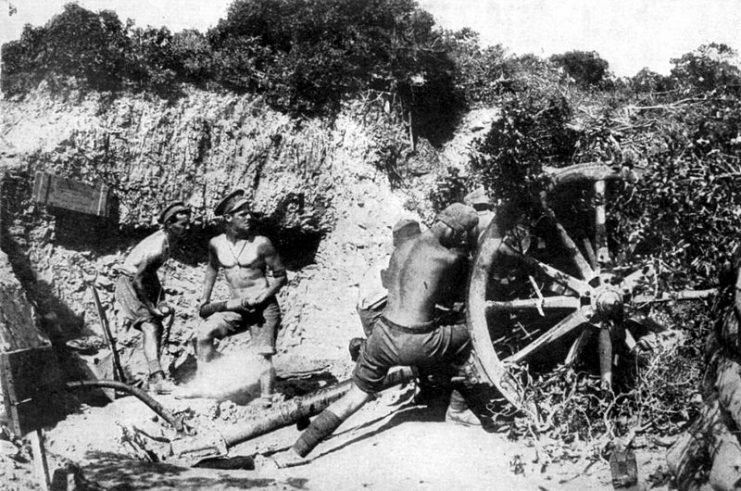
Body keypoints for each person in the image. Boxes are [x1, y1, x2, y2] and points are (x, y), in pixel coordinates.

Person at [265, 203, 481, 468]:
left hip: (381, 335)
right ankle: (458, 409)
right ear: (455, 231)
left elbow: (397, 284)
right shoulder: (451, 258)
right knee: (472, 333)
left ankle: (295, 452)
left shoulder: (402, 247)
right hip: (416, 341)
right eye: (461, 235)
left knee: (355, 396)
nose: (461, 240)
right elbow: (463, 297)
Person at [196, 190, 287, 407]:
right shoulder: (216, 244)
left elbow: (281, 277)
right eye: (242, 214)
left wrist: (262, 296)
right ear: (228, 218)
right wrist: (204, 299)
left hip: (263, 309)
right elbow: (211, 270)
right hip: (237, 307)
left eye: (249, 214)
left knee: (263, 354)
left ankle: (266, 399)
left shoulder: (261, 243)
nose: (249, 218)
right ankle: (204, 385)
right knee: (204, 334)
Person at [114, 201, 191, 394]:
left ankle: (154, 377)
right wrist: (152, 307)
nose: (186, 228)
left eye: (188, 224)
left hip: (140, 281)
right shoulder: (157, 246)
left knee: (156, 325)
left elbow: (151, 274)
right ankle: (157, 379)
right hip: (129, 283)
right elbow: (139, 279)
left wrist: (161, 299)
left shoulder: (167, 241)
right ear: (169, 225)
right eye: (182, 225)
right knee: (150, 325)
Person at [352, 218, 421, 356]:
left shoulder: (393, 257)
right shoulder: (402, 260)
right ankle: (367, 349)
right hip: (374, 314)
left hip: (371, 312)